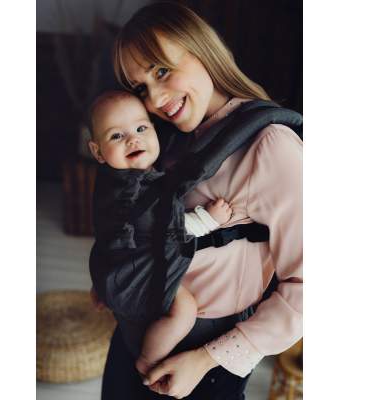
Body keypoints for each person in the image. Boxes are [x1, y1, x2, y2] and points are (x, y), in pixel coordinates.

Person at [93, 2, 302, 399]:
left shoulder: (271, 146)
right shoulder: (164, 138)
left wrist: (205, 360)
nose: (155, 98)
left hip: (201, 361)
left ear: (202, 49)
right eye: (141, 88)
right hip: (135, 332)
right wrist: (115, 275)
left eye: (161, 71)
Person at [88, 90, 234, 376]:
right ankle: (148, 358)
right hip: (132, 275)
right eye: (116, 136)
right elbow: (167, 230)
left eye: (141, 128)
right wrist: (207, 220)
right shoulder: (132, 191)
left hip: (108, 267)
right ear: (97, 151)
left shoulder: (110, 178)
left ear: (155, 131)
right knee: (185, 310)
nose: (133, 139)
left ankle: (105, 291)